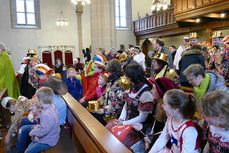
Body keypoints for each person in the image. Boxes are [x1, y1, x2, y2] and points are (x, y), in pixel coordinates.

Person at [106, 62, 154, 148]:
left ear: (133, 77)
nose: (125, 78)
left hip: (137, 127)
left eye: (127, 76)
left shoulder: (146, 93)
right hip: (126, 121)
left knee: (118, 142)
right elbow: (126, 105)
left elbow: (142, 118)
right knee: (108, 129)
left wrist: (123, 123)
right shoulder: (132, 87)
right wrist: (121, 119)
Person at [131, 77, 177, 153]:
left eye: (153, 89)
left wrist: (151, 139)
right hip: (151, 140)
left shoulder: (168, 111)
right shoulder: (157, 103)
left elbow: (165, 136)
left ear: (160, 92)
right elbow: (153, 126)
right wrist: (143, 127)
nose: (151, 91)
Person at [12, 87, 60, 153]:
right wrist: (38, 116)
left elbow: (44, 130)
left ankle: (23, 149)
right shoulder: (50, 106)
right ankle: (21, 148)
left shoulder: (47, 114)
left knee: (28, 151)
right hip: (48, 133)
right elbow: (45, 122)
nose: (35, 100)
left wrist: (33, 132)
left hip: (48, 140)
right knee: (26, 131)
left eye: (36, 98)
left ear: (41, 100)